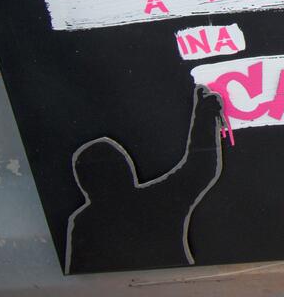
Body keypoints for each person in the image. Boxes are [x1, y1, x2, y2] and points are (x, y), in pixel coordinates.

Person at [65, 86, 224, 274]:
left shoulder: (85, 223)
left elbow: (80, 272)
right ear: (126, 171)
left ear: (84, 184)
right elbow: (200, 167)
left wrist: (204, 116)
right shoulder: (156, 200)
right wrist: (204, 118)